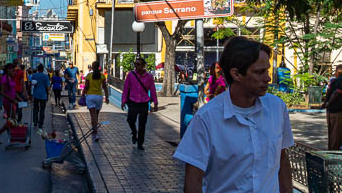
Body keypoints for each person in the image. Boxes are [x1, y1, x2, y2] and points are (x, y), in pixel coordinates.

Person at [175, 36, 293, 193]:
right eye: (259, 72)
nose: (267, 78)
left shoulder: (277, 109)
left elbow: (282, 160)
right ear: (236, 74)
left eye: (267, 71)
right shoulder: (207, 119)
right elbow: (193, 180)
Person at [121, 56, 159, 151]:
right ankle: (134, 133)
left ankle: (140, 143)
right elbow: (126, 88)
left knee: (142, 124)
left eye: (138, 64)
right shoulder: (131, 75)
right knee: (130, 120)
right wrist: (123, 100)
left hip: (143, 103)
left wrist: (155, 102)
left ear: (143, 66)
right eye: (135, 64)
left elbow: (153, 90)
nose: (136, 66)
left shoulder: (149, 77)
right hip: (133, 102)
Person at [82, 61, 108, 141]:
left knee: (93, 115)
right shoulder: (102, 76)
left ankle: (95, 132)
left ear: (92, 67)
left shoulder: (89, 75)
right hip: (99, 97)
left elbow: (86, 87)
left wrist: (83, 94)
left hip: (90, 96)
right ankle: (94, 129)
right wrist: (106, 97)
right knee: (96, 115)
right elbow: (104, 87)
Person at [0, 64, 19, 144]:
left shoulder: (10, 78)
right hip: (8, 102)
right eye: (12, 70)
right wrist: (12, 99)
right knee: (12, 120)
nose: (14, 72)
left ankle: (7, 136)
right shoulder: (4, 78)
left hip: (12, 101)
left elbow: (13, 91)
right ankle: (12, 137)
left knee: (11, 120)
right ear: (8, 69)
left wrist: (21, 98)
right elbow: (2, 92)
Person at [320, 64, 342, 151]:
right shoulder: (339, 81)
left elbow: (328, 92)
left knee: (332, 132)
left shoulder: (334, 81)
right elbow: (336, 93)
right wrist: (328, 103)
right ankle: (334, 152)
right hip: (337, 111)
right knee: (336, 134)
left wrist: (325, 103)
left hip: (330, 111)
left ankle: (331, 150)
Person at [30, 63, 50, 135]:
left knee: (35, 109)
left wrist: (30, 95)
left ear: (38, 69)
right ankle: (40, 124)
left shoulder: (34, 75)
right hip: (43, 95)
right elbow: (47, 87)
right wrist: (48, 94)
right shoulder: (45, 76)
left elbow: (31, 84)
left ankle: (35, 122)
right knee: (42, 109)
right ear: (43, 69)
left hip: (35, 95)